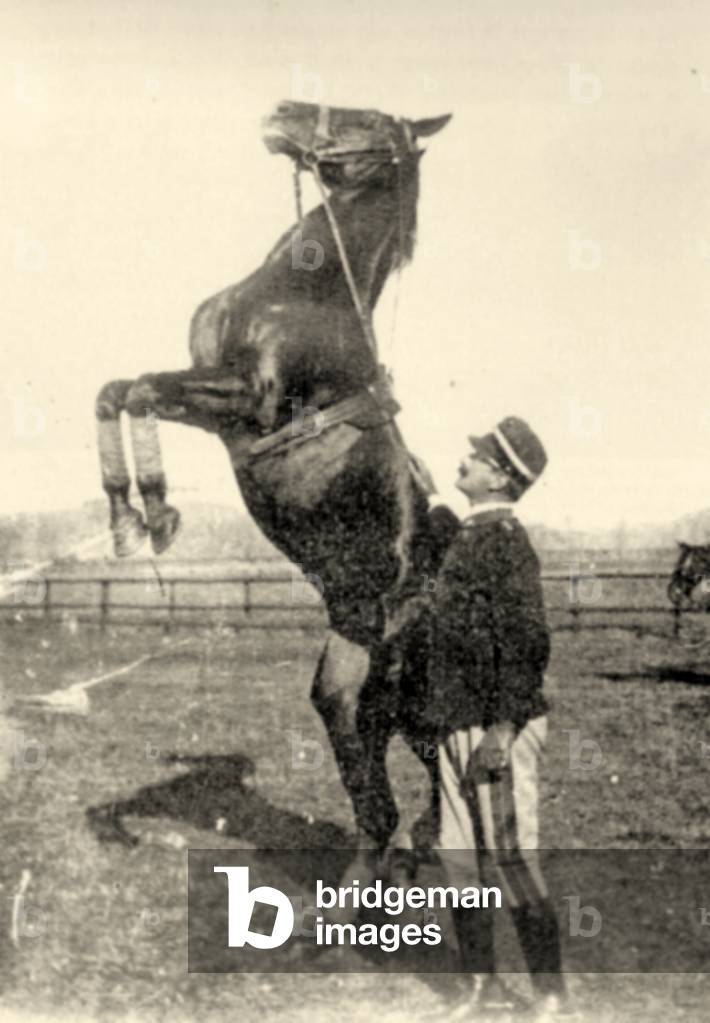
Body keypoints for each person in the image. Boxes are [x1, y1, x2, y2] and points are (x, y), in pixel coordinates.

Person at [425, 416, 570, 1021]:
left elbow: (528, 642)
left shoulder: (507, 542)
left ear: (499, 476)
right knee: (460, 861)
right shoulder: (469, 535)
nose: (467, 457)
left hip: (494, 729)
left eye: (479, 455)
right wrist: (426, 493)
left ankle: (552, 997)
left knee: (510, 861)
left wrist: (505, 730)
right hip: (458, 723)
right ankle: (480, 988)